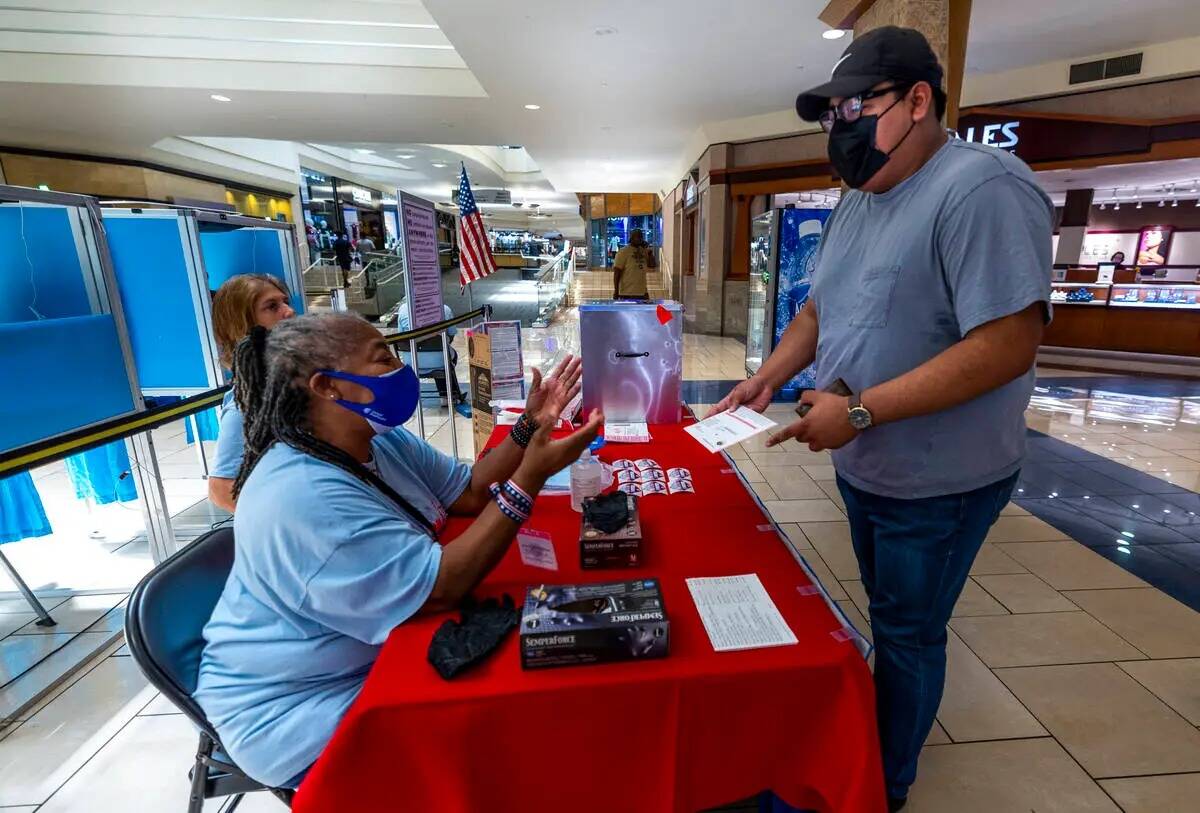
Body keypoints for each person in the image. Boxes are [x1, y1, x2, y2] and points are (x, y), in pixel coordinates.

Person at [710, 27, 1051, 810]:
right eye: (832, 115)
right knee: (885, 611)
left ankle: (880, 786)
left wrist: (860, 410)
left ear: (919, 100)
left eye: (858, 106)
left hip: (940, 479)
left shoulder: (983, 190)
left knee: (908, 630)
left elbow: (1007, 342)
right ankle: (869, 739)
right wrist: (767, 376)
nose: (843, 128)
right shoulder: (860, 198)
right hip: (867, 463)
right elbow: (823, 308)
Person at [193, 312, 595, 790]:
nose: (401, 366)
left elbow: (467, 491)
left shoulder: (378, 438)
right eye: (382, 357)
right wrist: (529, 477)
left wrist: (528, 426)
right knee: (518, 730)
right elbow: (441, 588)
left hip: (372, 653)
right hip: (304, 711)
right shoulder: (304, 495)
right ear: (328, 386)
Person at [208, 274, 296, 512]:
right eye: (272, 306)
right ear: (242, 325)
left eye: (286, 302)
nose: (288, 311)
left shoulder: (291, 381)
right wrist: (293, 522)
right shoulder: (245, 406)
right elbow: (221, 489)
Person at [395, 300, 471, 418]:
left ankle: (411, 396)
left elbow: (401, 337)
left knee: (442, 355)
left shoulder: (404, 309)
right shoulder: (444, 309)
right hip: (440, 361)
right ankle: (447, 395)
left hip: (411, 361)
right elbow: (450, 335)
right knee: (448, 356)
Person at [612, 228, 657, 300]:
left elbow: (652, 265)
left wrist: (649, 252)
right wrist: (616, 292)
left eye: (641, 237)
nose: (639, 238)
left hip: (642, 293)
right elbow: (617, 273)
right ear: (632, 238)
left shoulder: (644, 251)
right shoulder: (623, 252)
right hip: (627, 293)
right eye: (637, 236)